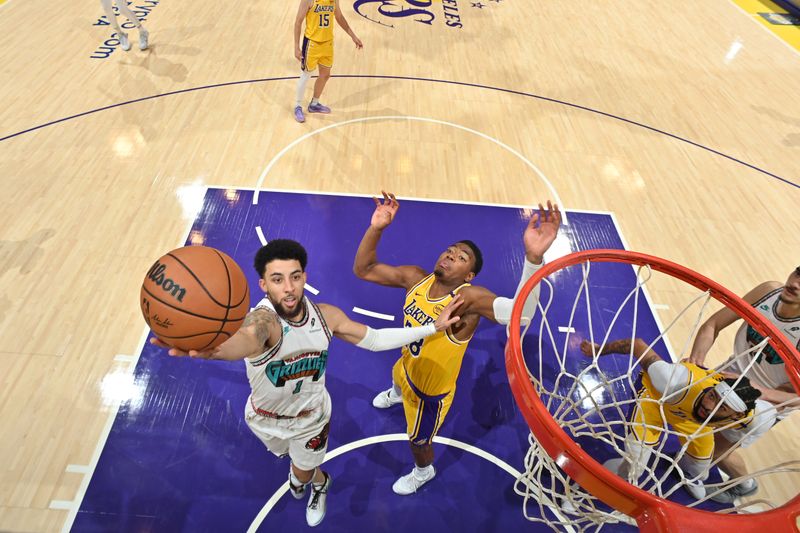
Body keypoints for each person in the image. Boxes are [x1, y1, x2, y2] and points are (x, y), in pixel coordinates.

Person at [151, 239, 462, 527]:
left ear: (304, 277)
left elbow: (377, 339)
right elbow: (245, 340)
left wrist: (431, 327)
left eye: (295, 277)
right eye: (277, 279)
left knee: (301, 475)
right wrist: (214, 350)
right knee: (289, 459)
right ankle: (305, 473)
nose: (288, 288)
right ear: (263, 284)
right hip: (262, 417)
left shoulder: (326, 316)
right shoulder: (263, 322)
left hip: (310, 420)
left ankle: (319, 482)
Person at [352, 191, 561, 495]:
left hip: (429, 394)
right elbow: (364, 269)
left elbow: (521, 315)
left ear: (470, 275)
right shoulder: (415, 278)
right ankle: (397, 394)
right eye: (450, 251)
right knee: (398, 375)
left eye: (462, 257)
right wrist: (377, 227)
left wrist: (533, 260)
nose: (451, 255)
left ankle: (423, 471)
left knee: (418, 441)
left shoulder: (469, 300)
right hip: (407, 364)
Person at [580, 337, 781, 501]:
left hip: (693, 420)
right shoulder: (673, 379)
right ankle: (619, 479)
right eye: (712, 396)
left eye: (722, 406)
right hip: (656, 400)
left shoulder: (755, 417)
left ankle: (688, 473)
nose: (710, 406)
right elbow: (636, 344)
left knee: (701, 464)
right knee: (636, 463)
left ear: (736, 416)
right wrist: (598, 350)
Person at [687, 266, 800, 502]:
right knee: (682, 410)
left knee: (706, 451)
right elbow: (713, 325)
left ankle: (741, 484)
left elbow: (795, 395)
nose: (796, 283)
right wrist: (696, 362)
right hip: (729, 374)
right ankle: (745, 483)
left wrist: (752, 392)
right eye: (799, 274)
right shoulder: (768, 292)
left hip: (767, 400)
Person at [292, 0, 363, 123]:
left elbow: (339, 17)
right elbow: (298, 22)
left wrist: (353, 36)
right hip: (312, 43)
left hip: (327, 43)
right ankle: (297, 106)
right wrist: (296, 46)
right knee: (306, 74)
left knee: (325, 75)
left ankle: (314, 104)